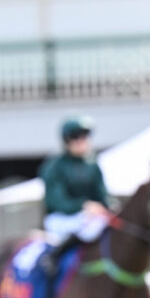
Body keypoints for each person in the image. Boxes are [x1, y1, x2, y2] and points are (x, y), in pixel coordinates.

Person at [37, 116, 110, 282]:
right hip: (62, 219)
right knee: (86, 229)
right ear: (67, 140)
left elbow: (102, 196)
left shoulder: (93, 165)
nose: (81, 141)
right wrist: (83, 206)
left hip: (90, 217)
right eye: (76, 137)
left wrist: (108, 207)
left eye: (85, 136)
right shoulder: (55, 166)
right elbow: (56, 201)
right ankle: (52, 259)